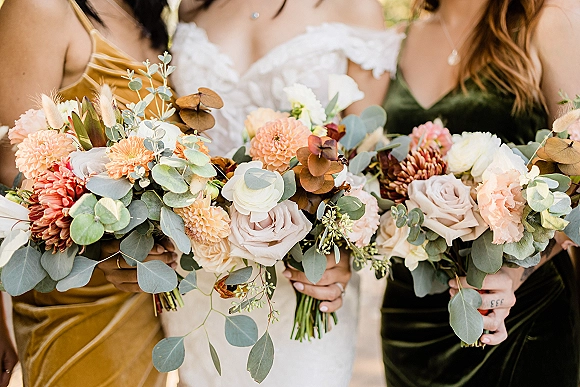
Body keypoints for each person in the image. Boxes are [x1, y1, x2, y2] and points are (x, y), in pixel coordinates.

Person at [159, 0, 403, 386]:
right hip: (204, 274)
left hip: (305, 275)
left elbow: (363, 157)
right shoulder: (192, 5)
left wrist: (338, 248)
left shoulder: (355, 7)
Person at [381, 0, 580, 385]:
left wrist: (515, 269)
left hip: (518, 309)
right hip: (410, 317)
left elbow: (579, 168)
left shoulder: (545, 25)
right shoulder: (398, 39)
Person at [0, 0, 176, 385]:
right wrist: (104, 241)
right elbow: (11, 171)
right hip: (74, 294)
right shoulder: (41, 7)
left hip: (146, 295)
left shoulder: (148, 14)